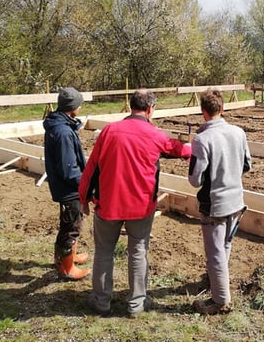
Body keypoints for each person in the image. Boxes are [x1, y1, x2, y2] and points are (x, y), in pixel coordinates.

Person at [78, 89, 191, 317]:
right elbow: (178, 149)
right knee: (138, 252)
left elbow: (91, 167)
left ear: (131, 106)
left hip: (108, 204)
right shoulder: (154, 134)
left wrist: (83, 197)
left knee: (103, 252)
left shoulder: (110, 130)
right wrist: (195, 147)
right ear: (150, 109)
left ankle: (101, 301)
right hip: (140, 207)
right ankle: (136, 303)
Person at [188, 89, 251, 315]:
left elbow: (195, 180)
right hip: (236, 201)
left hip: (214, 205)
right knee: (225, 246)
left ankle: (220, 301)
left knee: (215, 252)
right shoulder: (238, 132)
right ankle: (216, 281)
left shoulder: (202, 140)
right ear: (222, 109)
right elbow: (247, 164)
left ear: (203, 112)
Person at [43, 87, 91, 281]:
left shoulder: (61, 124)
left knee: (67, 224)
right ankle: (67, 268)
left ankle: (64, 257)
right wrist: (85, 184)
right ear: (73, 108)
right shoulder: (62, 132)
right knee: (72, 226)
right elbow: (68, 169)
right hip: (69, 189)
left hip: (65, 187)